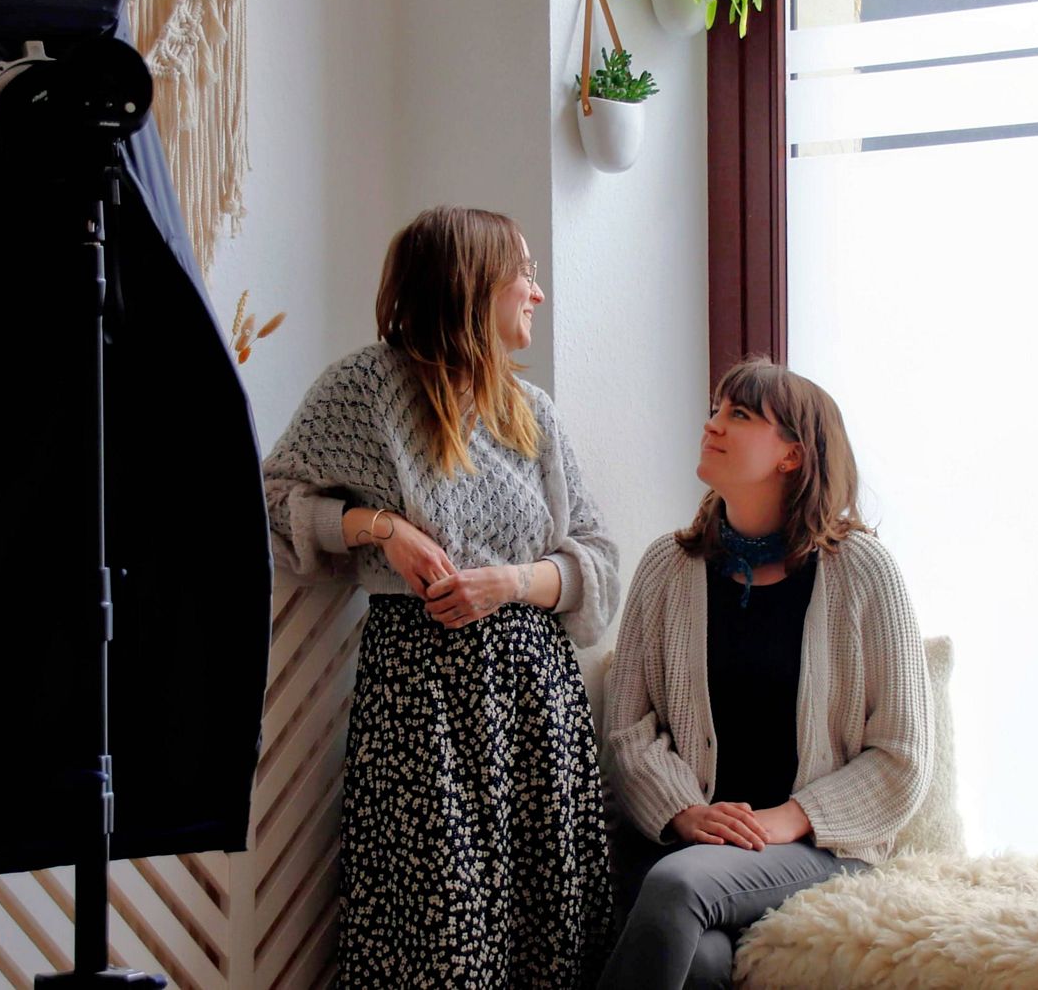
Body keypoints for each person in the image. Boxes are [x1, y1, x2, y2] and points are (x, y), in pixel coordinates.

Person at [262, 206, 619, 988]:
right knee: (433, 935)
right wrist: (377, 526)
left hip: (535, 702)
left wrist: (515, 582)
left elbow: (596, 557)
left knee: (546, 932)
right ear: (471, 282)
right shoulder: (366, 388)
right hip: (422, 700)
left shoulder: (531, 413)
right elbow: (272, 500)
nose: (537, 292)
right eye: (522, 272)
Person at [598, 357, 932, 989]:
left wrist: (792, 816)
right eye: (716, 409)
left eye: (740, 414)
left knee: (677, 885)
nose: (713, 424)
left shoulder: (864, 571)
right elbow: (629, 730)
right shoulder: (666, 567)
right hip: (683, 842)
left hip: (813, 852)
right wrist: (683, 813)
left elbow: (903, 754)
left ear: (792, 456)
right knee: (701, 964)